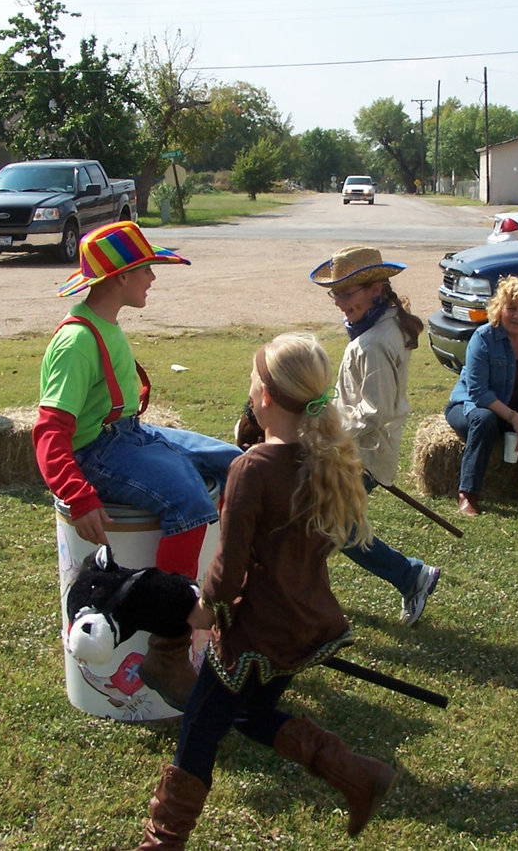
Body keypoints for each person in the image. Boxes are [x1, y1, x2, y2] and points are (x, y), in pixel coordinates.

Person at [135, 332, 398, 849]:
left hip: (253, 631)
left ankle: (161, 842)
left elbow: (230, 567)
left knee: (200, 728)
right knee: (249, 714)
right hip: (305, 621)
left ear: (266, 398)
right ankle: (357, 774)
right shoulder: (325, 458)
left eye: (255, 381)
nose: (251, 389)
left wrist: (205, 612)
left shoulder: (252, 468)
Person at [33, 220, 240, 709]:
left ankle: (229, 588)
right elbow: (48, 433)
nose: (153, 278)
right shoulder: (77, 341)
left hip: (129, 434)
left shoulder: (104, 325)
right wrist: (78, 495)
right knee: (188, 501)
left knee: (235, 462)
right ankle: (167, 648)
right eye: (146, 269)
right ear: (121, 278)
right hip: (99, 451)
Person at [308, 246, 440, 625]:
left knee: (331, 528)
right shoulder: (378, 327)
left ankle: (409, 575)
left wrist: (328, 433)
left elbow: (375, 409)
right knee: (327, 526)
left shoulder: (376, 342)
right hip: (356, 449)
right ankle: (306, 592)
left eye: (347, 294)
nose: (339, 303)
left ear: (377, 290)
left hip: (361, 453)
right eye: (336, 294)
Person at [445, 275, 518, 517]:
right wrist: (516, 419)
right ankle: (468, 495)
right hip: (471, 404)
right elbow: (478, 391)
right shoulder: (483, 337)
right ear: (499, 308)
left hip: (517, 406)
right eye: (512, 309)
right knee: (484, 421)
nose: (517, 316)